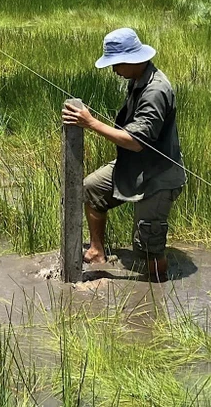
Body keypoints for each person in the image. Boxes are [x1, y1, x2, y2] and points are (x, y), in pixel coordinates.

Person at [62, 28, 186, 281]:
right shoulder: (138, 80)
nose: (113, 69)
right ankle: (97, 252)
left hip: (159, 175)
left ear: (132, 59)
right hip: (134, 164)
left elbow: (136, 141)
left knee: (148, 244)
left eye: (116, 63)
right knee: (92, 189)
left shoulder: (155, 91)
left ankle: (155, 288)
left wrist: (90, 123)